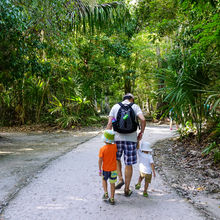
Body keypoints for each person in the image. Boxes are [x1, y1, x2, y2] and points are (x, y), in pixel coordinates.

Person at [106, 93, 146, 197]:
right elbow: (143, 120)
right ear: (131, 99)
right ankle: (127, 190)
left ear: (123, 99)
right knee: (129, 164)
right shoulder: (135, 106)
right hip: (131, 139)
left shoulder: (115, 106)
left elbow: (110, 124)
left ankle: (120, 179)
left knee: (116, 158)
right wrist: (141, 132)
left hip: (117, 139)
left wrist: (107, 139)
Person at [98, 130, 117, 205]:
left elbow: (100, 160)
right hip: (114, 170)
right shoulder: (115, 147)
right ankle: (112, 198)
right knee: (112, 184)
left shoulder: (102, 149)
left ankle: (106, 193)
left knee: (104, 179)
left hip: (105, 169)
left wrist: (100, 169)